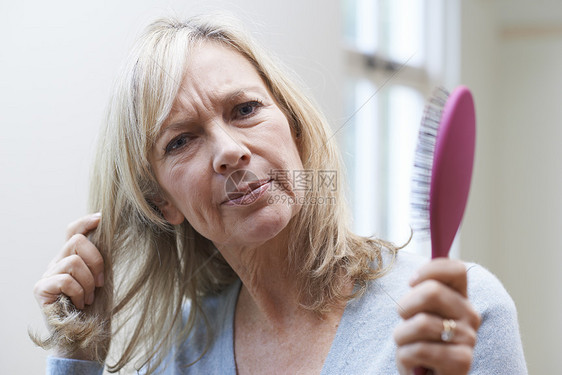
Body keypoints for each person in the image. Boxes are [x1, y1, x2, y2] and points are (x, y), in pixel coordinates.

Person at [32, 15, 527, 374]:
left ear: (295, 130)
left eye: (245, 109)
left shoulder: (463, 314)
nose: (229, 151)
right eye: (181, 140)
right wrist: (78, 355)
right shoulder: (177, 356)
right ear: (163, 203)